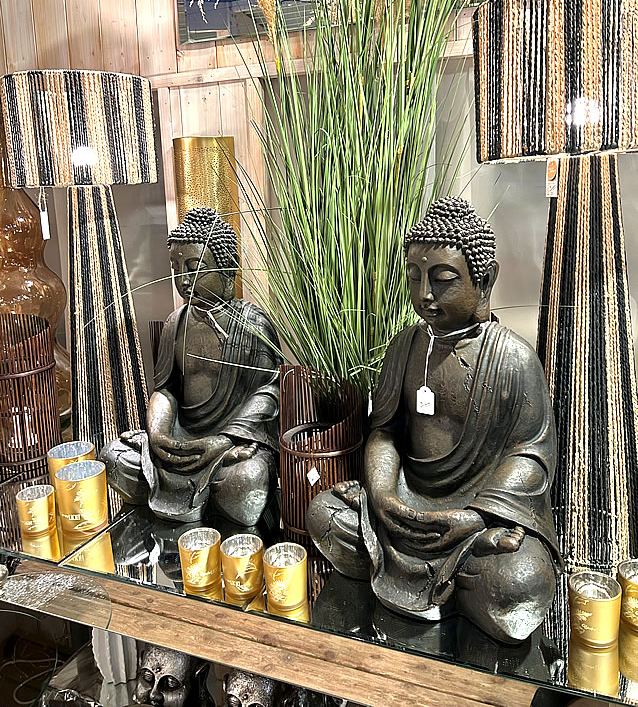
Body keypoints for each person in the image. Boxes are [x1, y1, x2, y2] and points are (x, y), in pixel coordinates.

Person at [307, 197, 560, 643]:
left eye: (442, 280)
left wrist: (476, 517)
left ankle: (467, 564)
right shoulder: (404, 348)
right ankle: (444, 582)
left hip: (477, 514)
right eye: (414, 277)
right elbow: (384, 431)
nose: (424, 293)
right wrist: (382, 494)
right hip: (407, 505)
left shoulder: (514, 359)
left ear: (485, 280)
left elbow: (532, 455)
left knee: (520, 581)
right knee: (323, 514)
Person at [101, 208, 280, 525]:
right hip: (181, 440)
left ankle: (213, 495)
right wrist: (157, 432)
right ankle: (191, 495)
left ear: (226, 270)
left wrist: (225, 440)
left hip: (231, 444)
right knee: (114, 458)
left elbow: (269, 393)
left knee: (247, 481)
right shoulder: (176, 323)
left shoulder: (252, 324)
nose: (183, 281)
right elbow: (166, 389)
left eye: (195, 269)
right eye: (176, 269)